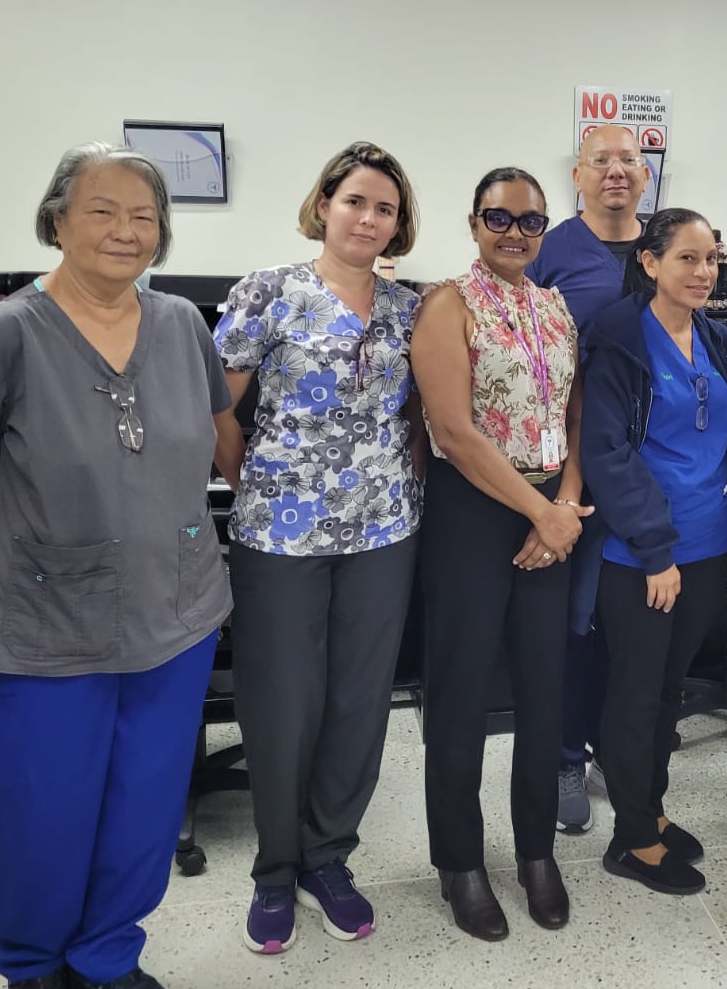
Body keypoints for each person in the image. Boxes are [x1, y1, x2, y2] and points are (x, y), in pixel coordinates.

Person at [0, 143, 237, 989]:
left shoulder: (181, 326)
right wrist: (27, 569)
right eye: (102, 210)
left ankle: (107, 959)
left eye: (144, 216)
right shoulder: (1, 337)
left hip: (174, 620)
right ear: (57, 221)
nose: (126, 230)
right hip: (41, 637)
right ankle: (34, 968)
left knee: (143, 810)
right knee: (42, 817)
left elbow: (214, 440)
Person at [212, 142, 423, 955]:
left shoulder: (410, 310)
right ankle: (275, 868)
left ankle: (328, 855)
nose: (368, 218)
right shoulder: (269, 292)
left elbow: (419, 416)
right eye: (355, 201)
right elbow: (216, 406)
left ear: (398, 225)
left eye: (385, 208)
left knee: (359, 699)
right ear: (325, 206)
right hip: (279, 532)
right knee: (282, 700)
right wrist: (253, 479)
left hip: (383, 530)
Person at [412, 167, 589, 941]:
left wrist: (565, 505)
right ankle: (459, 862)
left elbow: (574, 413)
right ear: (474, 223)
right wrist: (541, 513)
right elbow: (453, 431)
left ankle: (536, 852)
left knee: (545, 690)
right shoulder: (447, 303)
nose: (515, 233)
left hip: (550, 512)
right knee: (461, 692)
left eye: (531, 222)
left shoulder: (555, 307)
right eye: (499, 218)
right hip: (474, 511)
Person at [581, 208, 727, 896]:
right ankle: (631, 840)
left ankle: (649, 810)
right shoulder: (619, 336)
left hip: (708, 546)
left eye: (712, 259)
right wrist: (654, 551)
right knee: (636, 694)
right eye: (687, 258)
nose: (703, 272)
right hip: (643, 555)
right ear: (650, 263)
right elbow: (606, 452)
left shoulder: (716, 336)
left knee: (669, 693)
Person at [526, 123, 648, 834]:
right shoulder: (550, 250)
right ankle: (566, 755)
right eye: (600, 160)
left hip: (648, 467)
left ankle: (616, 751)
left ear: (645, 174)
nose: (615, 171)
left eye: (628, 159)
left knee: (631, 623)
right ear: (577, 176)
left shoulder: (667, 246)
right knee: (573, 621)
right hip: (571, 465)